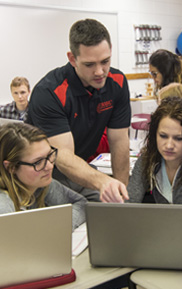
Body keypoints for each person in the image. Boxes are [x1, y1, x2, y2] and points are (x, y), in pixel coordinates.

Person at [26, 18, 131, 203]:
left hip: (83, 168)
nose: (100, 71)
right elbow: (63, 156)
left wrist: (120, 193)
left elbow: (119, 140)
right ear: (72, 58)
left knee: (110, 214)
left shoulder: (117, 82)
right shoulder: (49, 92)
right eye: (90, 64)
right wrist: (103, 182)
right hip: (46, 174)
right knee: (71, 220)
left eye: (105, 61)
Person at [0, 122, 86, 231]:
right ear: (11, 167)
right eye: (38, 162)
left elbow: (81, 204)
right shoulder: (3, 206)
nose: (49, 166)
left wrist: (57, 227)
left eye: (50, 155)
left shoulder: (40, 185)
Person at [127, 96, 182, 204]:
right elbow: (129, 204)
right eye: (163, 136)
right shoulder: (146, 161)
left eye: (178, 138)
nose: (169, 145)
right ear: (154, 134)